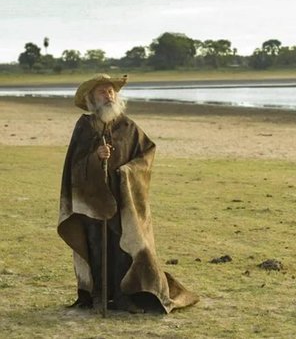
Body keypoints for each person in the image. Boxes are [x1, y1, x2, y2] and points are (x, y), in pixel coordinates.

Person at [58, 74, 199, 313]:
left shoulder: (128, 126)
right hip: (91, 202)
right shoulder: (85, 126)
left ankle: (124, 297)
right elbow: (74, 164)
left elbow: (147, 153)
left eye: (111, 91)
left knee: (123, 247)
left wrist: (127, 171)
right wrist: (96, 157)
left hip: (123, 200)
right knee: (96, 247)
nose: (109, 95)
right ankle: (98, 296)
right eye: (102, 91)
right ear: (92, 98)